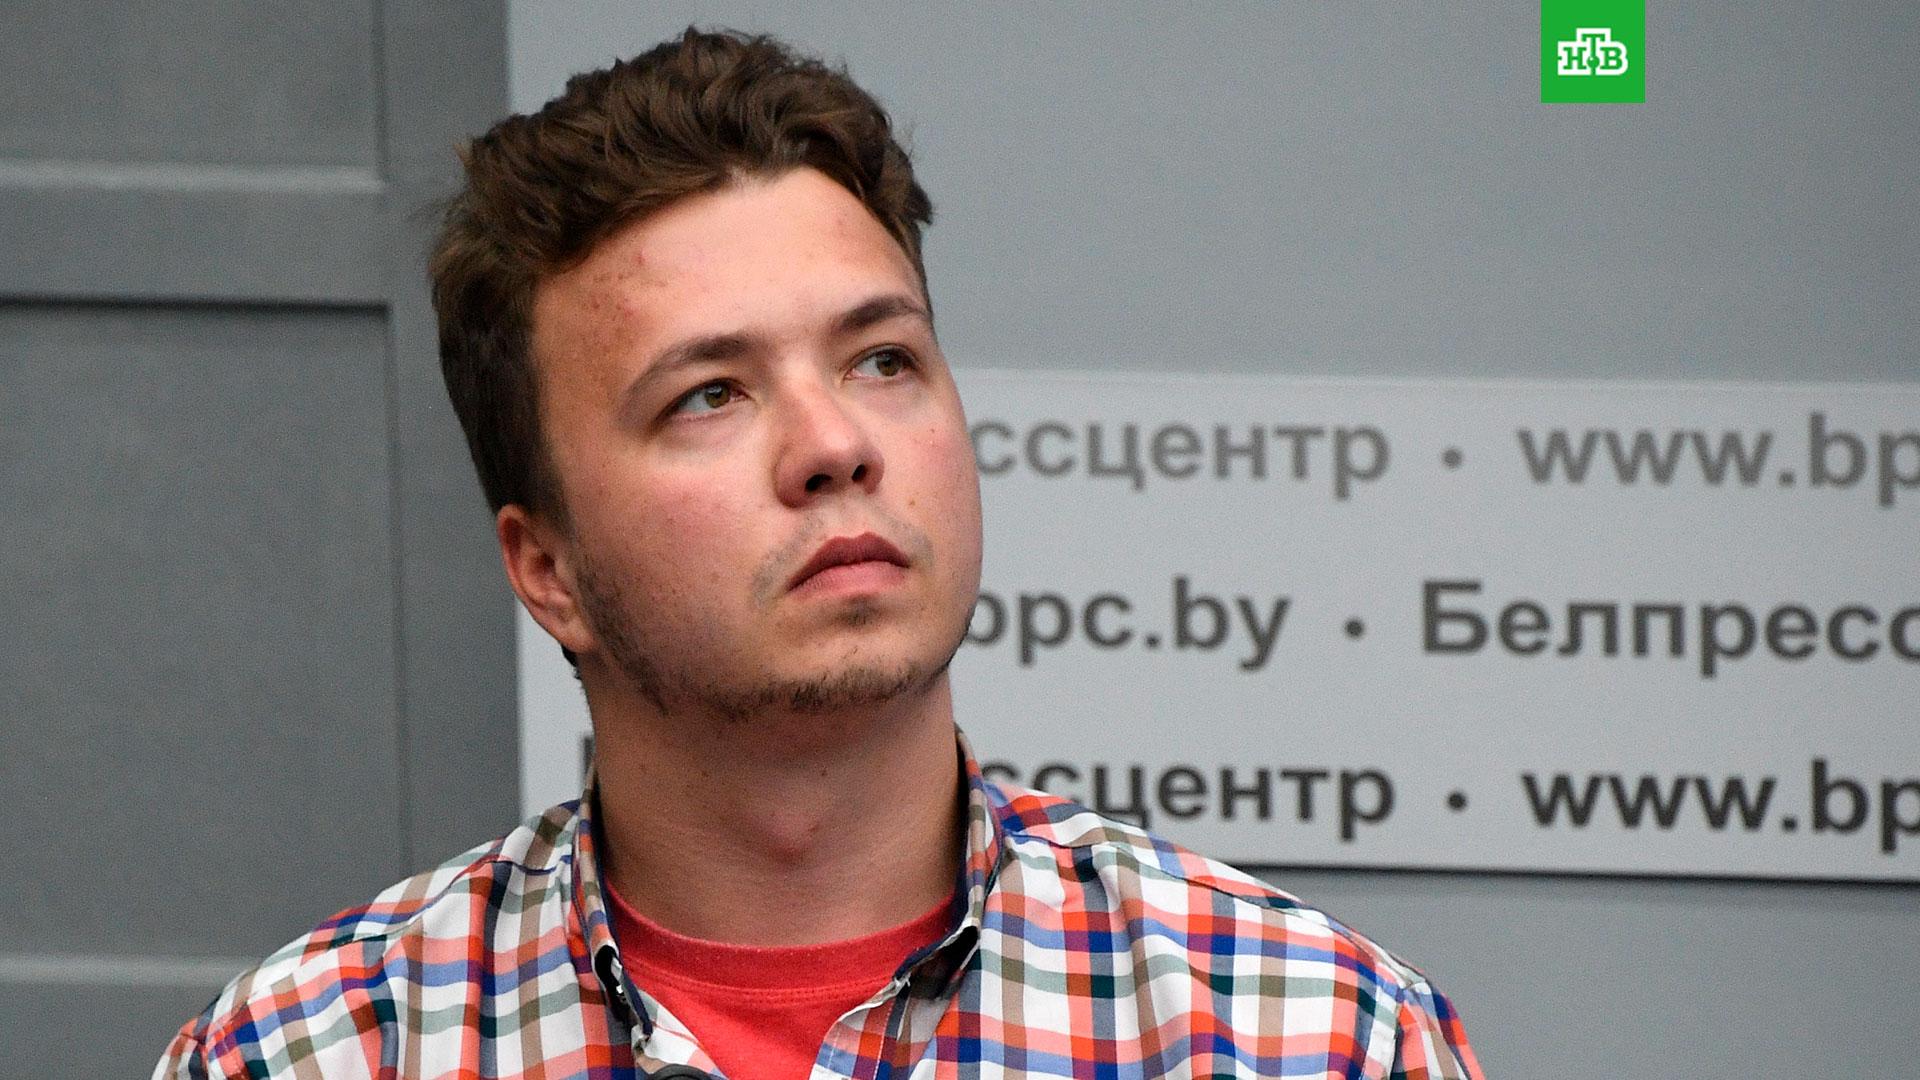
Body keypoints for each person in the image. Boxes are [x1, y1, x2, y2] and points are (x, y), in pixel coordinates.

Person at [155, 27, 1481, 1080]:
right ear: (547, 569)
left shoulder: (1308, 1037)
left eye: (882, 359)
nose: (836, 445)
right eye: (709, 395)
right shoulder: (313, 1054)